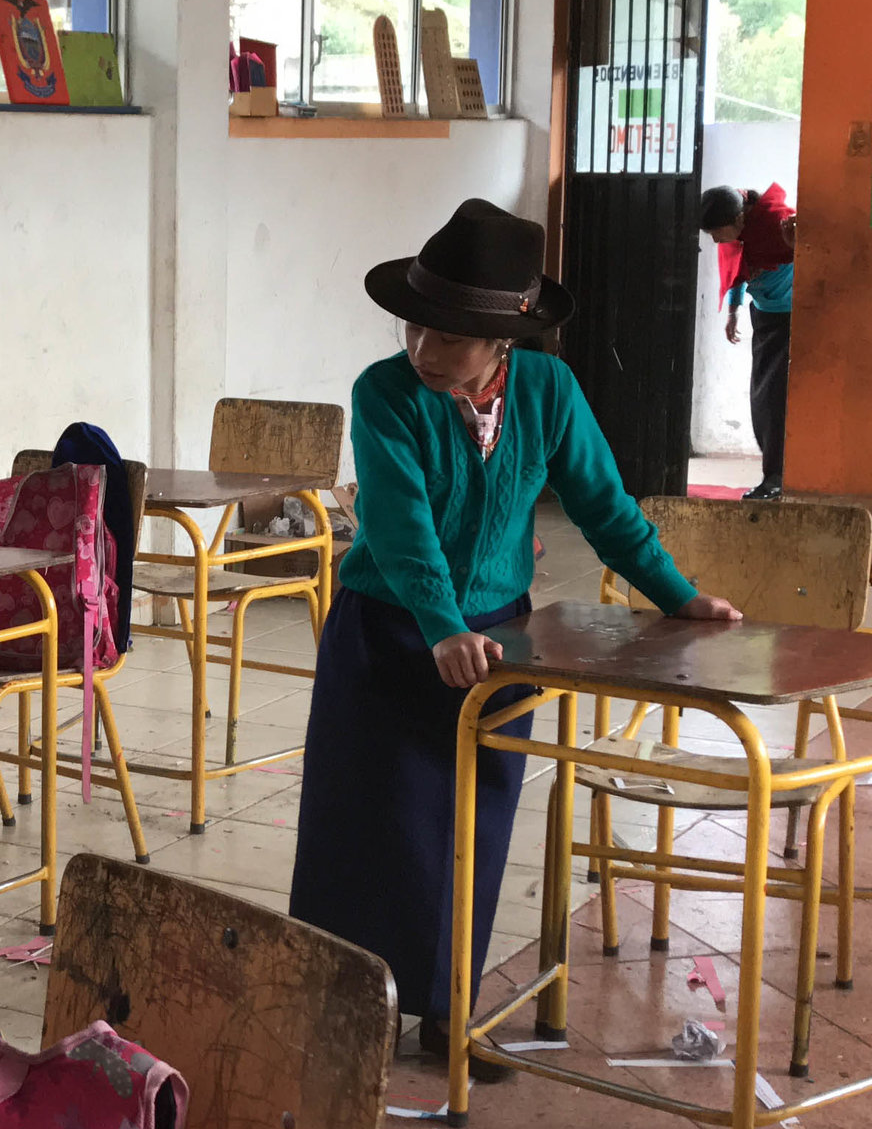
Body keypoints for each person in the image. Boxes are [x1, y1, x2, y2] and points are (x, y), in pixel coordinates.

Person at [288, 199, 741, 1074]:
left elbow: (605, 507)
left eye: (448, 336)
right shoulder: (383, 394)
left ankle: (447, 1011)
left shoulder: (550, 393)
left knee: (470, 832)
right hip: (387, 636)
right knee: (364, 828)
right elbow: (400, 521)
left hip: (496, 647)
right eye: (414, 325)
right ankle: (343, 1005)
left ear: (504, 343)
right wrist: (440, 625)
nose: (423, 348)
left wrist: (677, 595)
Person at [699, 183, 797, 501]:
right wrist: (733, 312)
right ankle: (775, 475)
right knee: (762, 399)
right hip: (765, 317)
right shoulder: (740, 231)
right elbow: (738, 272)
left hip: (790, 319)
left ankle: (776, 479)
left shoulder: (777, 224)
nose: (715, 241)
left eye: (717, 233)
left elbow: (813, 249)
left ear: (740, 220)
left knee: (774, 400)